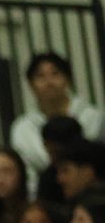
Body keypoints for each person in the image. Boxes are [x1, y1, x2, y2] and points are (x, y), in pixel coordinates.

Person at [11, 52, 105, 194]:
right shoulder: (22, 128)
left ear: (67, 79)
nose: (49, 82)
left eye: (55, 74)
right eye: (40, 76)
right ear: (31, 85)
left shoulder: (93, 117)